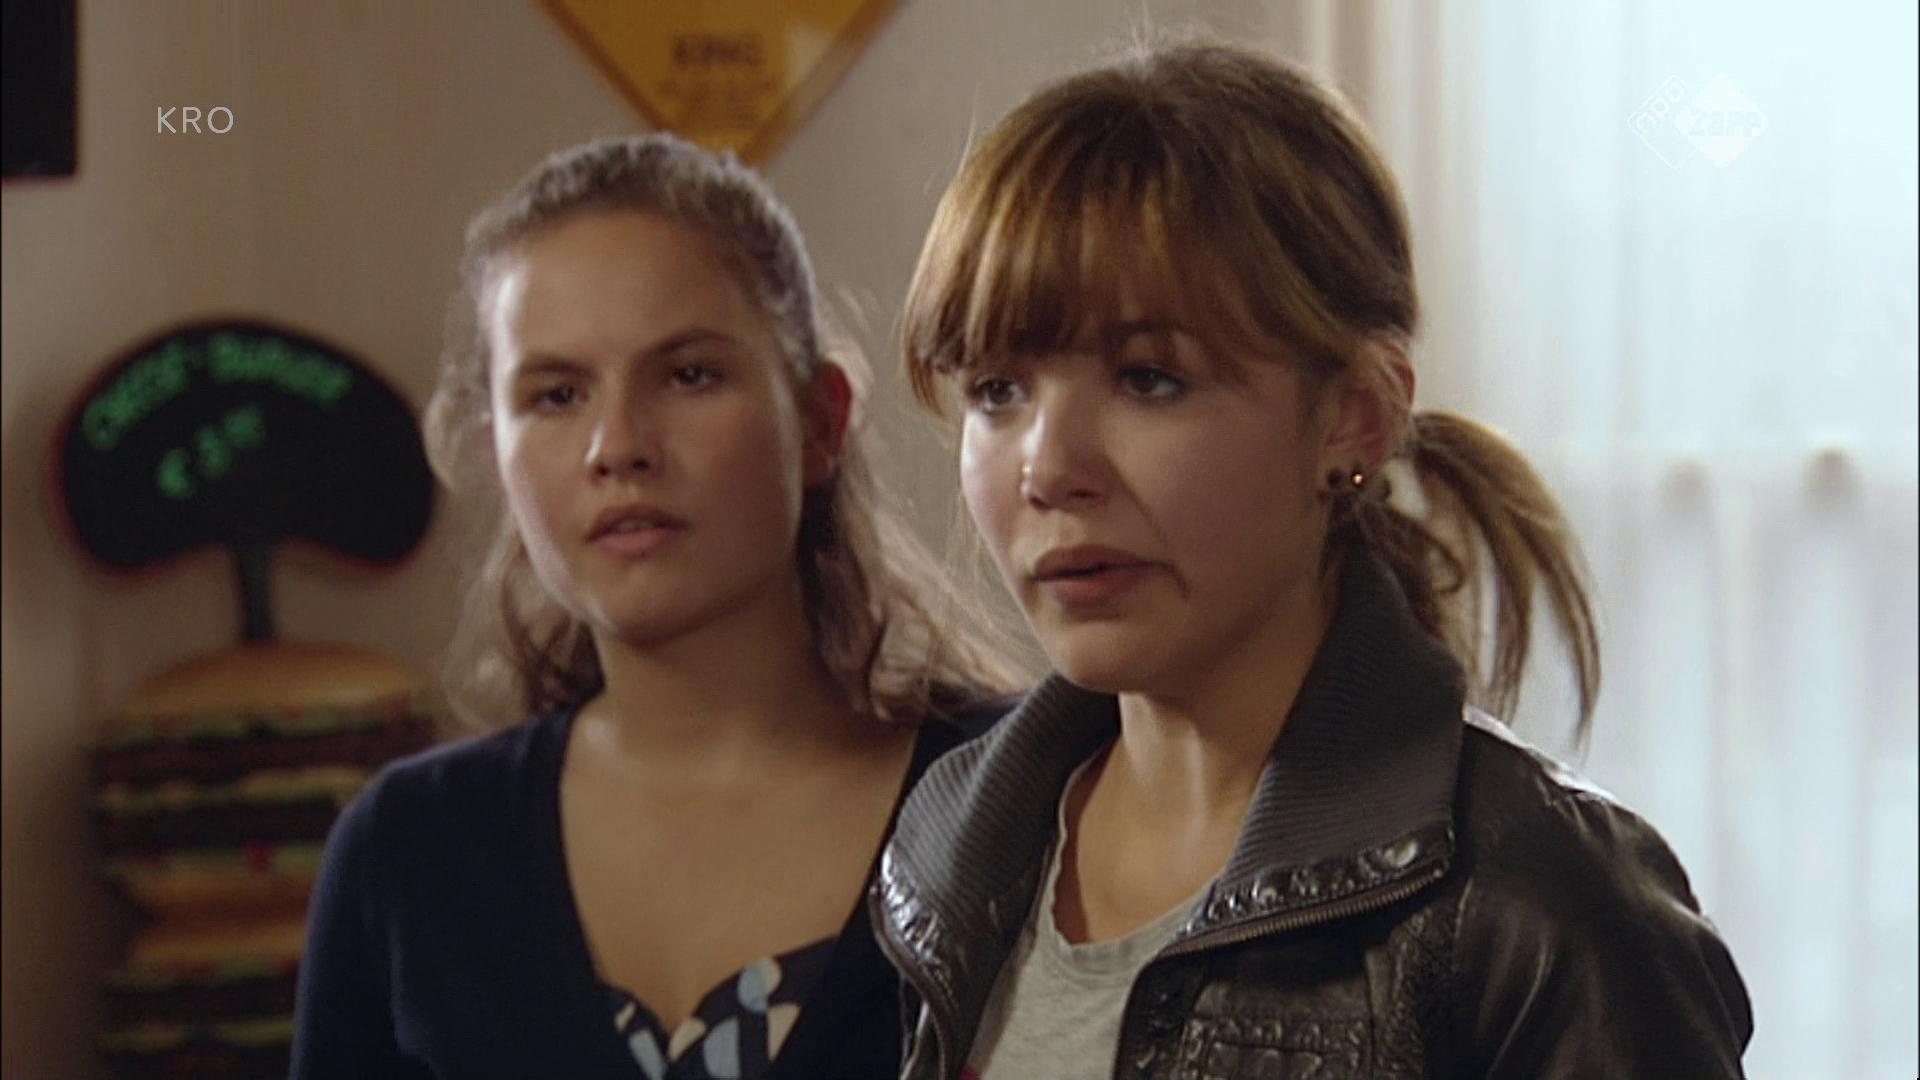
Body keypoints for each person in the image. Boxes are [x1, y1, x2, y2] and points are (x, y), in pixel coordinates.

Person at [871, 42, 1754, 1080]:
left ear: (1354, 418)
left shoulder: (1540, 909)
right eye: (996, 392)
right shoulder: (951, 855)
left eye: (1149, 379)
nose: (1049, 469)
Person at [292, 132, 1019, 1079]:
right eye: (557, 394)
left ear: (820, 420)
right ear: (498, 452)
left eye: (688, 375)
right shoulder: (408, 853)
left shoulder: (1020, 798)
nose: (618, 445)